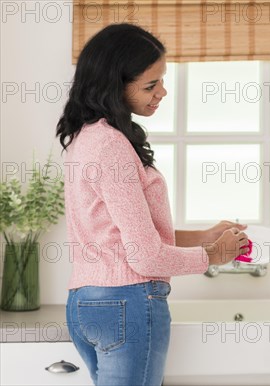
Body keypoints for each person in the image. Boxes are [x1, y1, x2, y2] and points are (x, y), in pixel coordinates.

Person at [56, 23, 249, 386]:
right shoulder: (111, 145)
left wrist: (204, 235)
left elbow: (131, 235)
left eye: (161, 80)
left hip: (85, 303)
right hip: (127, 302)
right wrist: (214, 254)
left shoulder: (86, 138)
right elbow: (144, 257)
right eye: (150, 85)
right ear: (114, 85)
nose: (162, 91)